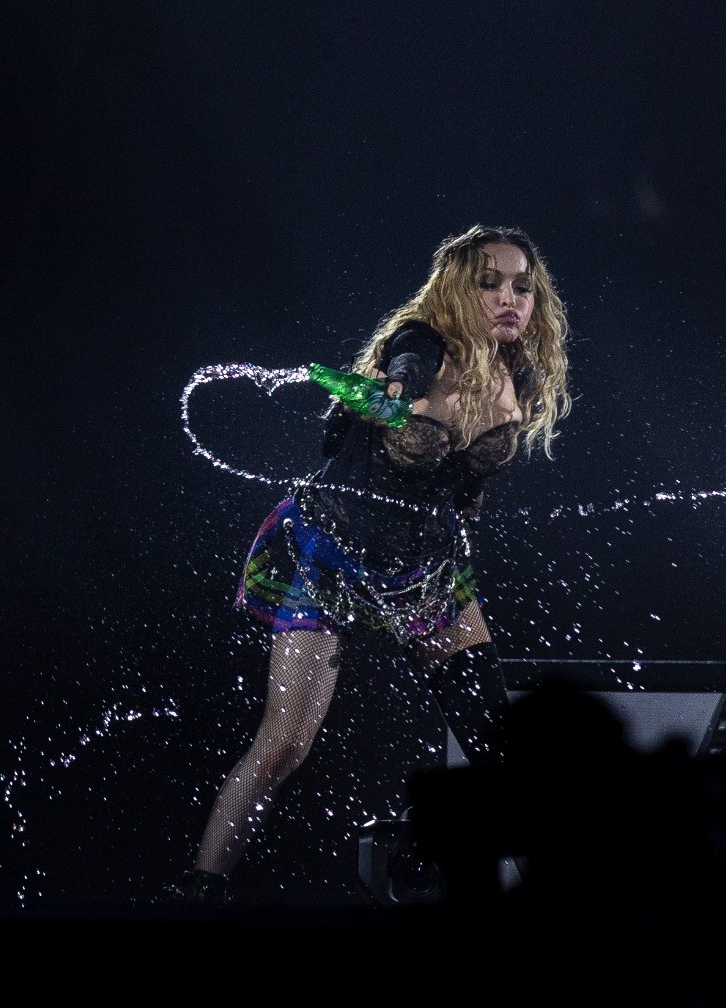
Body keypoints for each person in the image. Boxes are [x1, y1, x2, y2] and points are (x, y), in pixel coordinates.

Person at [172, 225, 572, 903]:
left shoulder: (520, 376)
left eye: (522, 286)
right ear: (456, 289)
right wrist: (387, 391)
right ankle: (200, 892)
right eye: (490, 282)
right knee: (285, 746)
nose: (510, 297)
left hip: (425, 573)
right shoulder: (420, 345)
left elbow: (462, 483)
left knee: (502, 750)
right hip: (330, 558)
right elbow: (396, 384)